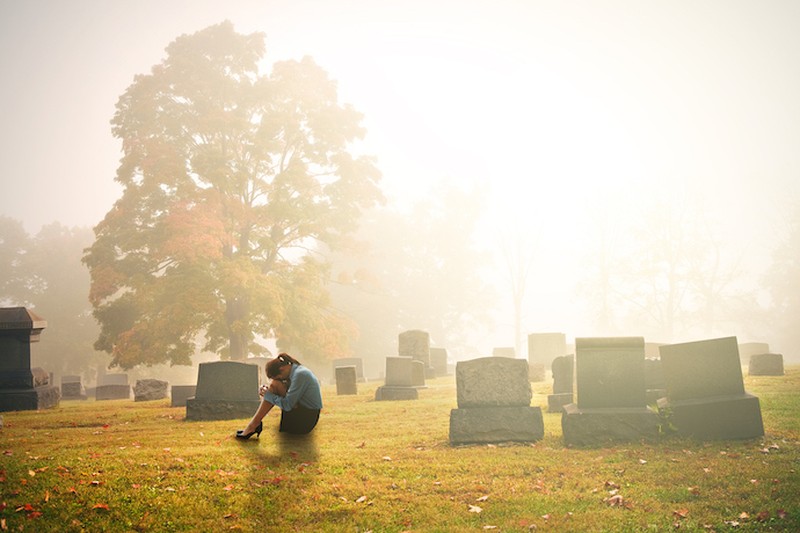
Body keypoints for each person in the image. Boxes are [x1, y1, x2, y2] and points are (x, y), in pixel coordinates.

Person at [235, 353, 323, 439]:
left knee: (275, 385)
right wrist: (268, 391)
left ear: (282, 369)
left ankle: (253, 425)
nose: (282, 380)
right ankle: (254, 425)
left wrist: (268, 395)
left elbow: (287, 405)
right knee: (274, 385)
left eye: (279, 378)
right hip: (302, 413)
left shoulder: (300, 374)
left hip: (305, 421)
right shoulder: (297, 371)